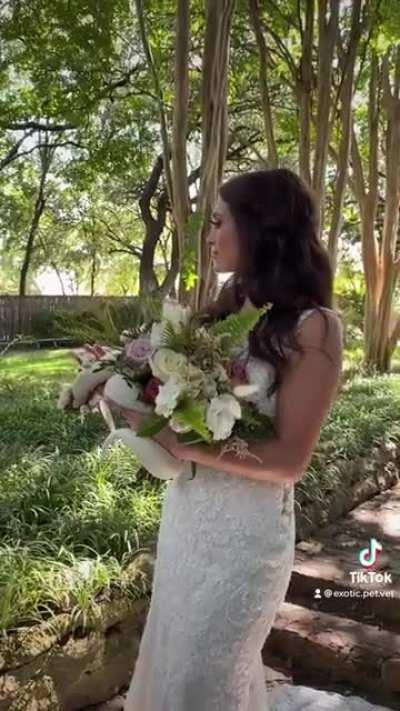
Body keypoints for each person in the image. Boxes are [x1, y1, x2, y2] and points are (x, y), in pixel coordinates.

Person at [121, 168, 343, 710]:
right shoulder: (221, 314)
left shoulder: (314, 327)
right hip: (188, 519)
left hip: (245, 539)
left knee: (206, 673)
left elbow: (291, 460)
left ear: (260, 227)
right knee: (173, 660)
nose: (211, 234)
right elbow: (168, 402)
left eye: (219, 221)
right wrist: (117, 392)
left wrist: (187, 445)